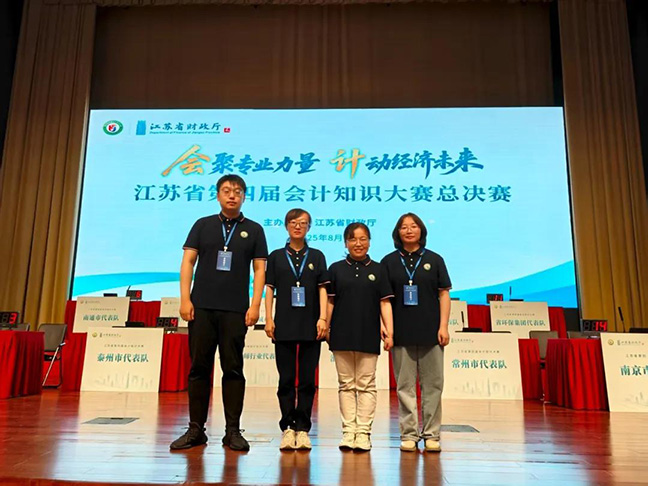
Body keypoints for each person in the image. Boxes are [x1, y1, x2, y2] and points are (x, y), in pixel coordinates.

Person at [170, 174, 268, 451]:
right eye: (226, 190)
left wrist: (255, 305)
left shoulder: (254, 229)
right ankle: (196, 429)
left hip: (235, 310)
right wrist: (185, 299)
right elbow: (188, 262)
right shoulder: (203, 225)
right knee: (199, 368)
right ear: (218, 195)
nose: (232, 195)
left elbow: (259, 269)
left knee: (233, 369)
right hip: (201, 307)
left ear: (244, 196)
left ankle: (232, 431)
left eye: (237, 191)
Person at [381, 213, 451, 453]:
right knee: (404, 387)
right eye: (403, 227)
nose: (409, 230)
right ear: (397, 232)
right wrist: (387, 329)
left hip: (431, 332)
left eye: (413, 226)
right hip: (401, 333)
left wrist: (443, 326)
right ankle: (409, 434)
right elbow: (384, 300)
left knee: (433, 386)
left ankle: (432, 434)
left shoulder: (435, 259)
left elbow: (444, 294)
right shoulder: (389, 262)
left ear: (421, 230)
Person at [326, 222, 394, 452]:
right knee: (346, 384)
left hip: (368, 333)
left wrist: (389, 330)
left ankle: (363, 432)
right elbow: (330, 301)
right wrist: (325, 325)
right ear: (346, 243)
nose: (358, 243)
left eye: (363, 239)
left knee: (366, 384)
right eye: (353, 239)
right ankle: (348, 431)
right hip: (341, 333)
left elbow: (384, 303)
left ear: (369, 242)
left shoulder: (379, 269)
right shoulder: (336, 269)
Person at [264, 208, 329, 451]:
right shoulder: (276, 256)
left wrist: (323, 318)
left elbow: (323, 288)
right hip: (284, 323)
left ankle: (302, 428)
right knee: (286, 379)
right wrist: (268, 318)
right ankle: (287, 427)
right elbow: (269, 288)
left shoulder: (317, 256)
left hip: (311, 324)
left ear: (309, 227)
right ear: (286, 226)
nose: (298, 226)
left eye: (303, 222)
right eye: (293, 222)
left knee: (307, 380)